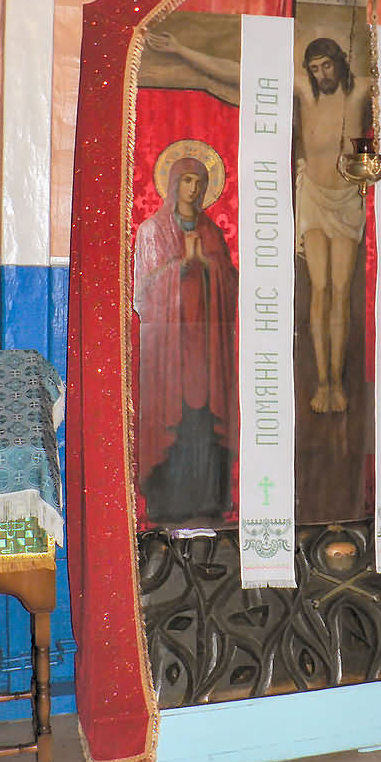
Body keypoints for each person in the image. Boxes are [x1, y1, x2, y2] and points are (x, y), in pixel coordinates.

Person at [145, 29, 381, 414]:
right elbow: (240, 71)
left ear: (339, 63)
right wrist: (182, 47)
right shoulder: (303, 89)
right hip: (314, 197)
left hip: (347, 200)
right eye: (314, 68)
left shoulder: (359, 90)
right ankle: (322, 382)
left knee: (341, 290)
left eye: (326, 66)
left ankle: (338, 381)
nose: (320, 74)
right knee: (319, 288)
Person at [134, 156, 238, 524]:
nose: (193, 189)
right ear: (174, 184)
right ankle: (168, 503)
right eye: (187, 181)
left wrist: (208, 265)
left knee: (204, 423)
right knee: (172, 421)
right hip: (169, 349)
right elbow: (142, 292)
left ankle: (208, 501)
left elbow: (230, 286)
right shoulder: (153, 230)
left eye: (199, 182)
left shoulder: (212, 233)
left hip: (207, 348)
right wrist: (181, 265)